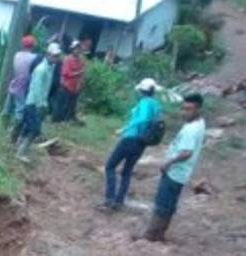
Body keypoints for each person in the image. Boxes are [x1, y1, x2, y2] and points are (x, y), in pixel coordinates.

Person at [139, 93, 206, 242]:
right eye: (183, 108)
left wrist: (168, 162)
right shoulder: (200, 123)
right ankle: (160, 234)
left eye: (189, 109)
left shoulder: (191, 129)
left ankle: (150, 235)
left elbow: (187, 152)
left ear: (198, 109)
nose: (185, 112)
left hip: (175, 172)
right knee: (169, 204)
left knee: (162, 203)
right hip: (182, 173)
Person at [100, 78, 161, 211]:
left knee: (110, 166)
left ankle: (109, 198)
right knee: (127, 172)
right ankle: (119, 201)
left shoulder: (145, 102)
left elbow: (143, 118)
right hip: (142, 142)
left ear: (142, 90)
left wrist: (124, 129)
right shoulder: (156, 105)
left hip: (130, 138)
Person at [15, 42, 61, 162]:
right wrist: (40, 105)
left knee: (28, 127)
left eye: (57, 56)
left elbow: (46, 89)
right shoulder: (41, 70)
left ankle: (18, 146)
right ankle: (21, 152)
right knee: (34, 130)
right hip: (33, 103)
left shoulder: (50, 68)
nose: (56, 58)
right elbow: (36, 89)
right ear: (48, 55)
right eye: (54, 56)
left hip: (38, 103)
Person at [4, 35, 39, 135]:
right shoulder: (34, 57)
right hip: (23, 88)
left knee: (7, 108)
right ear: (33, 46)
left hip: (13, 84)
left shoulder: (17, 55)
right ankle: (14, 132)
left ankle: (4, 127)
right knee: (19, 111)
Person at [53, 40, 87, 122]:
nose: (77, 51)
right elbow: (66, 73)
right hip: (66, 85)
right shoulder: (67, 59)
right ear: (72, 49)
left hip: (75, 86)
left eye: (79, 49)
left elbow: (82, 73)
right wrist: (78, 73)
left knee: (71, 104)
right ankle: (57, 119)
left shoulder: (80, 61)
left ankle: (68, 118)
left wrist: (80, 83)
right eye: (76, 49)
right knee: (62, 104)